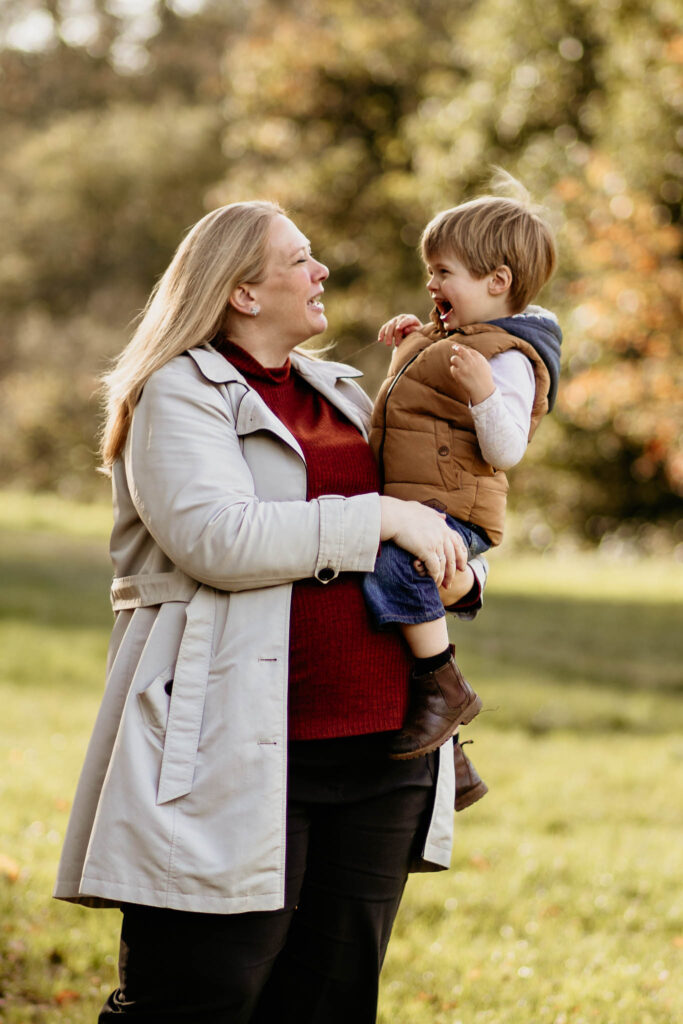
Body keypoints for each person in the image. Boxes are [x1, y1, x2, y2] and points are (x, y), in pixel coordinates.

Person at [53, 200, 489, 1024]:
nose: (320, 271)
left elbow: (425, 504)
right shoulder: (176, 393)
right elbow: (215, 538)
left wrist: (458, 567)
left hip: (383, 754)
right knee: (197, 998)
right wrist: (382, 521)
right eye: (299, 258)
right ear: (243, 293)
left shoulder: (342, 390)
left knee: (328, 1002)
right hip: (237, 752)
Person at [363, 183, 562, 786]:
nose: (431, 284)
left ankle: (444, 685)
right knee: (378, 594)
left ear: (496, 281)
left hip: (456, 511)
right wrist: (410, 345)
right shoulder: (454, 339)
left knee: (391, 569)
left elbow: (508, 449)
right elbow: (412, 413)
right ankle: (449, 754)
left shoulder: (508, 358)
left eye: (443, 271)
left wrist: (483, 393)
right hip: (421, 502)